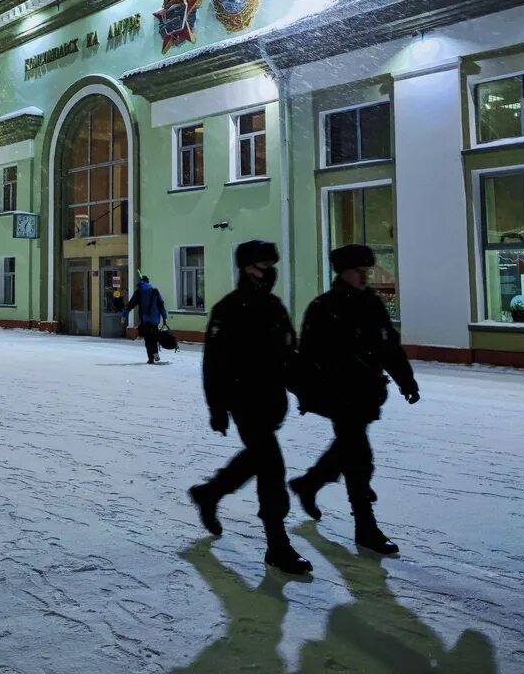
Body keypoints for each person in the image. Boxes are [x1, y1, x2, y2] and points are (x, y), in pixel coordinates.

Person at [187, 240, 311, 575]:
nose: (268, 273)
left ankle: (209, 492)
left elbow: (288, 355)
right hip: (243, 401)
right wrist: (217, 407)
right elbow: (213, 364)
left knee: (257, 458)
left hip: (272, 401)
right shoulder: (228, 309)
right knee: (272, 468)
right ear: (245, 269)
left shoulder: (274, 307)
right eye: (261, 266)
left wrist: (303, 390)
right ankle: (277, 545)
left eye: (271, 266)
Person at [288, 244, 421, 556]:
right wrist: (323, 386)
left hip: (366, 394)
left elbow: (389, 346)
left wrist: (406, 380)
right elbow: (310, 357)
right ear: (343, 272)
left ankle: (309, 483)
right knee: (359, 457)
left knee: (348, 449)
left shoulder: (371, 303)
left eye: (367, 270)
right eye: (359, 271)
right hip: (338, 395)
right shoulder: (324, 307)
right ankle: (365, 526)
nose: (365, 276)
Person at [124, 275, 169, 364]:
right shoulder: (155, 291)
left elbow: (131, 304)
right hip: (155, 319)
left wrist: (124, 314)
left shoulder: (139, 292)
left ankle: (150, 358)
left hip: (145, 319)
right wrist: (164, 316)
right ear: (148, 282)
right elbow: (161, 304)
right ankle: (155, 353)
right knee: (154, 337)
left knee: (148, 339)